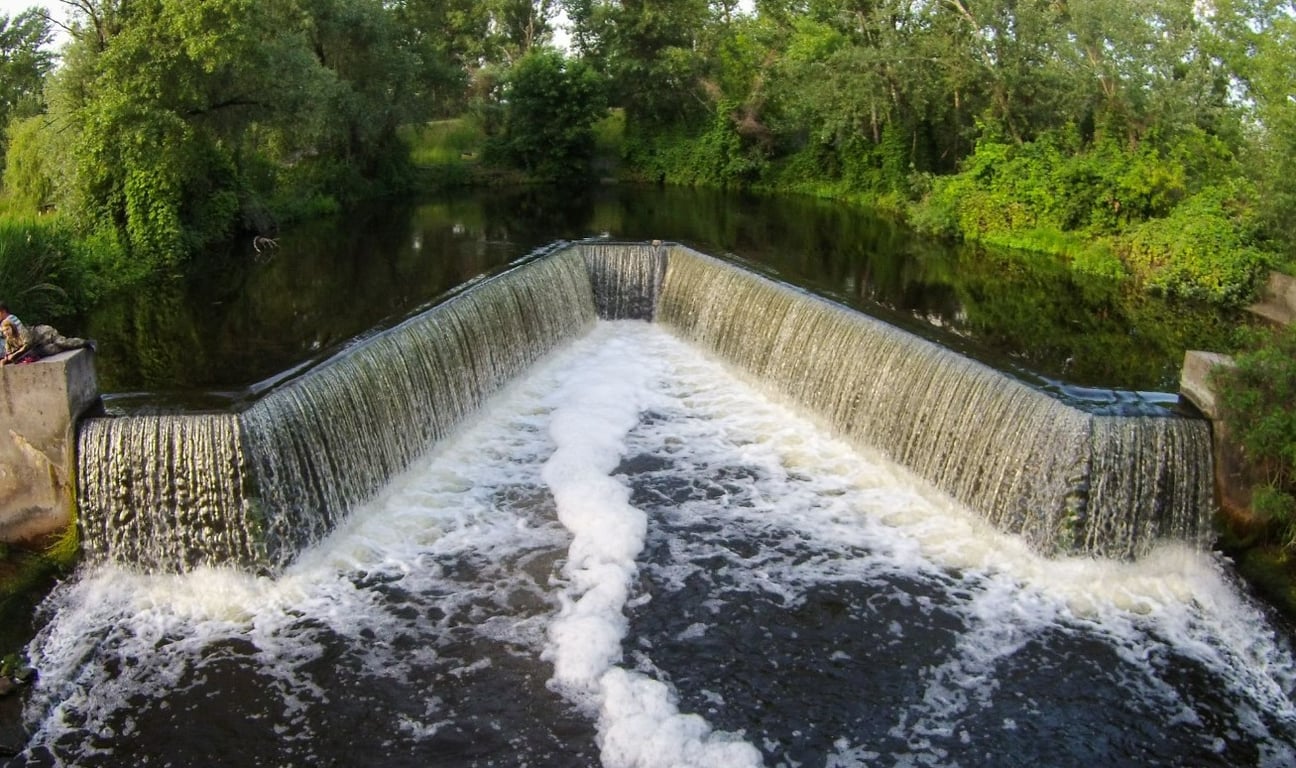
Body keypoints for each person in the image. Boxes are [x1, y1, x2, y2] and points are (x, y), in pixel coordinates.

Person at [0, 302, 96, 366]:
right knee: (52, 349)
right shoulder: (7, 332)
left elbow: (26, 343)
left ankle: (87, 342)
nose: (5, 332)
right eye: (4, 331)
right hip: (36, 343)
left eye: (7, 330)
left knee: (62, 342)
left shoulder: (11, 321)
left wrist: (14, 355)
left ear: (3, 311)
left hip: (44, 334)